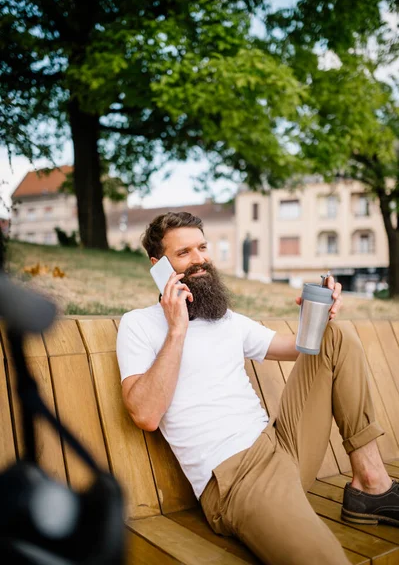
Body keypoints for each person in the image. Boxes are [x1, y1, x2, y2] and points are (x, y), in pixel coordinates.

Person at [117, 212, 399, 565]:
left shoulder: (226, 320)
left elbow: (298, 347)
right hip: (239, 478)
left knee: (336, 336)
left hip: (281, 445)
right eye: (184, 253)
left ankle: (372, 485)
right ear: (158, 266)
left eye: (202, 248)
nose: (200, 259)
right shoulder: (139, 325)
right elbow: (145, 414)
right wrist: (176, 330)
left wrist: (318, 312)